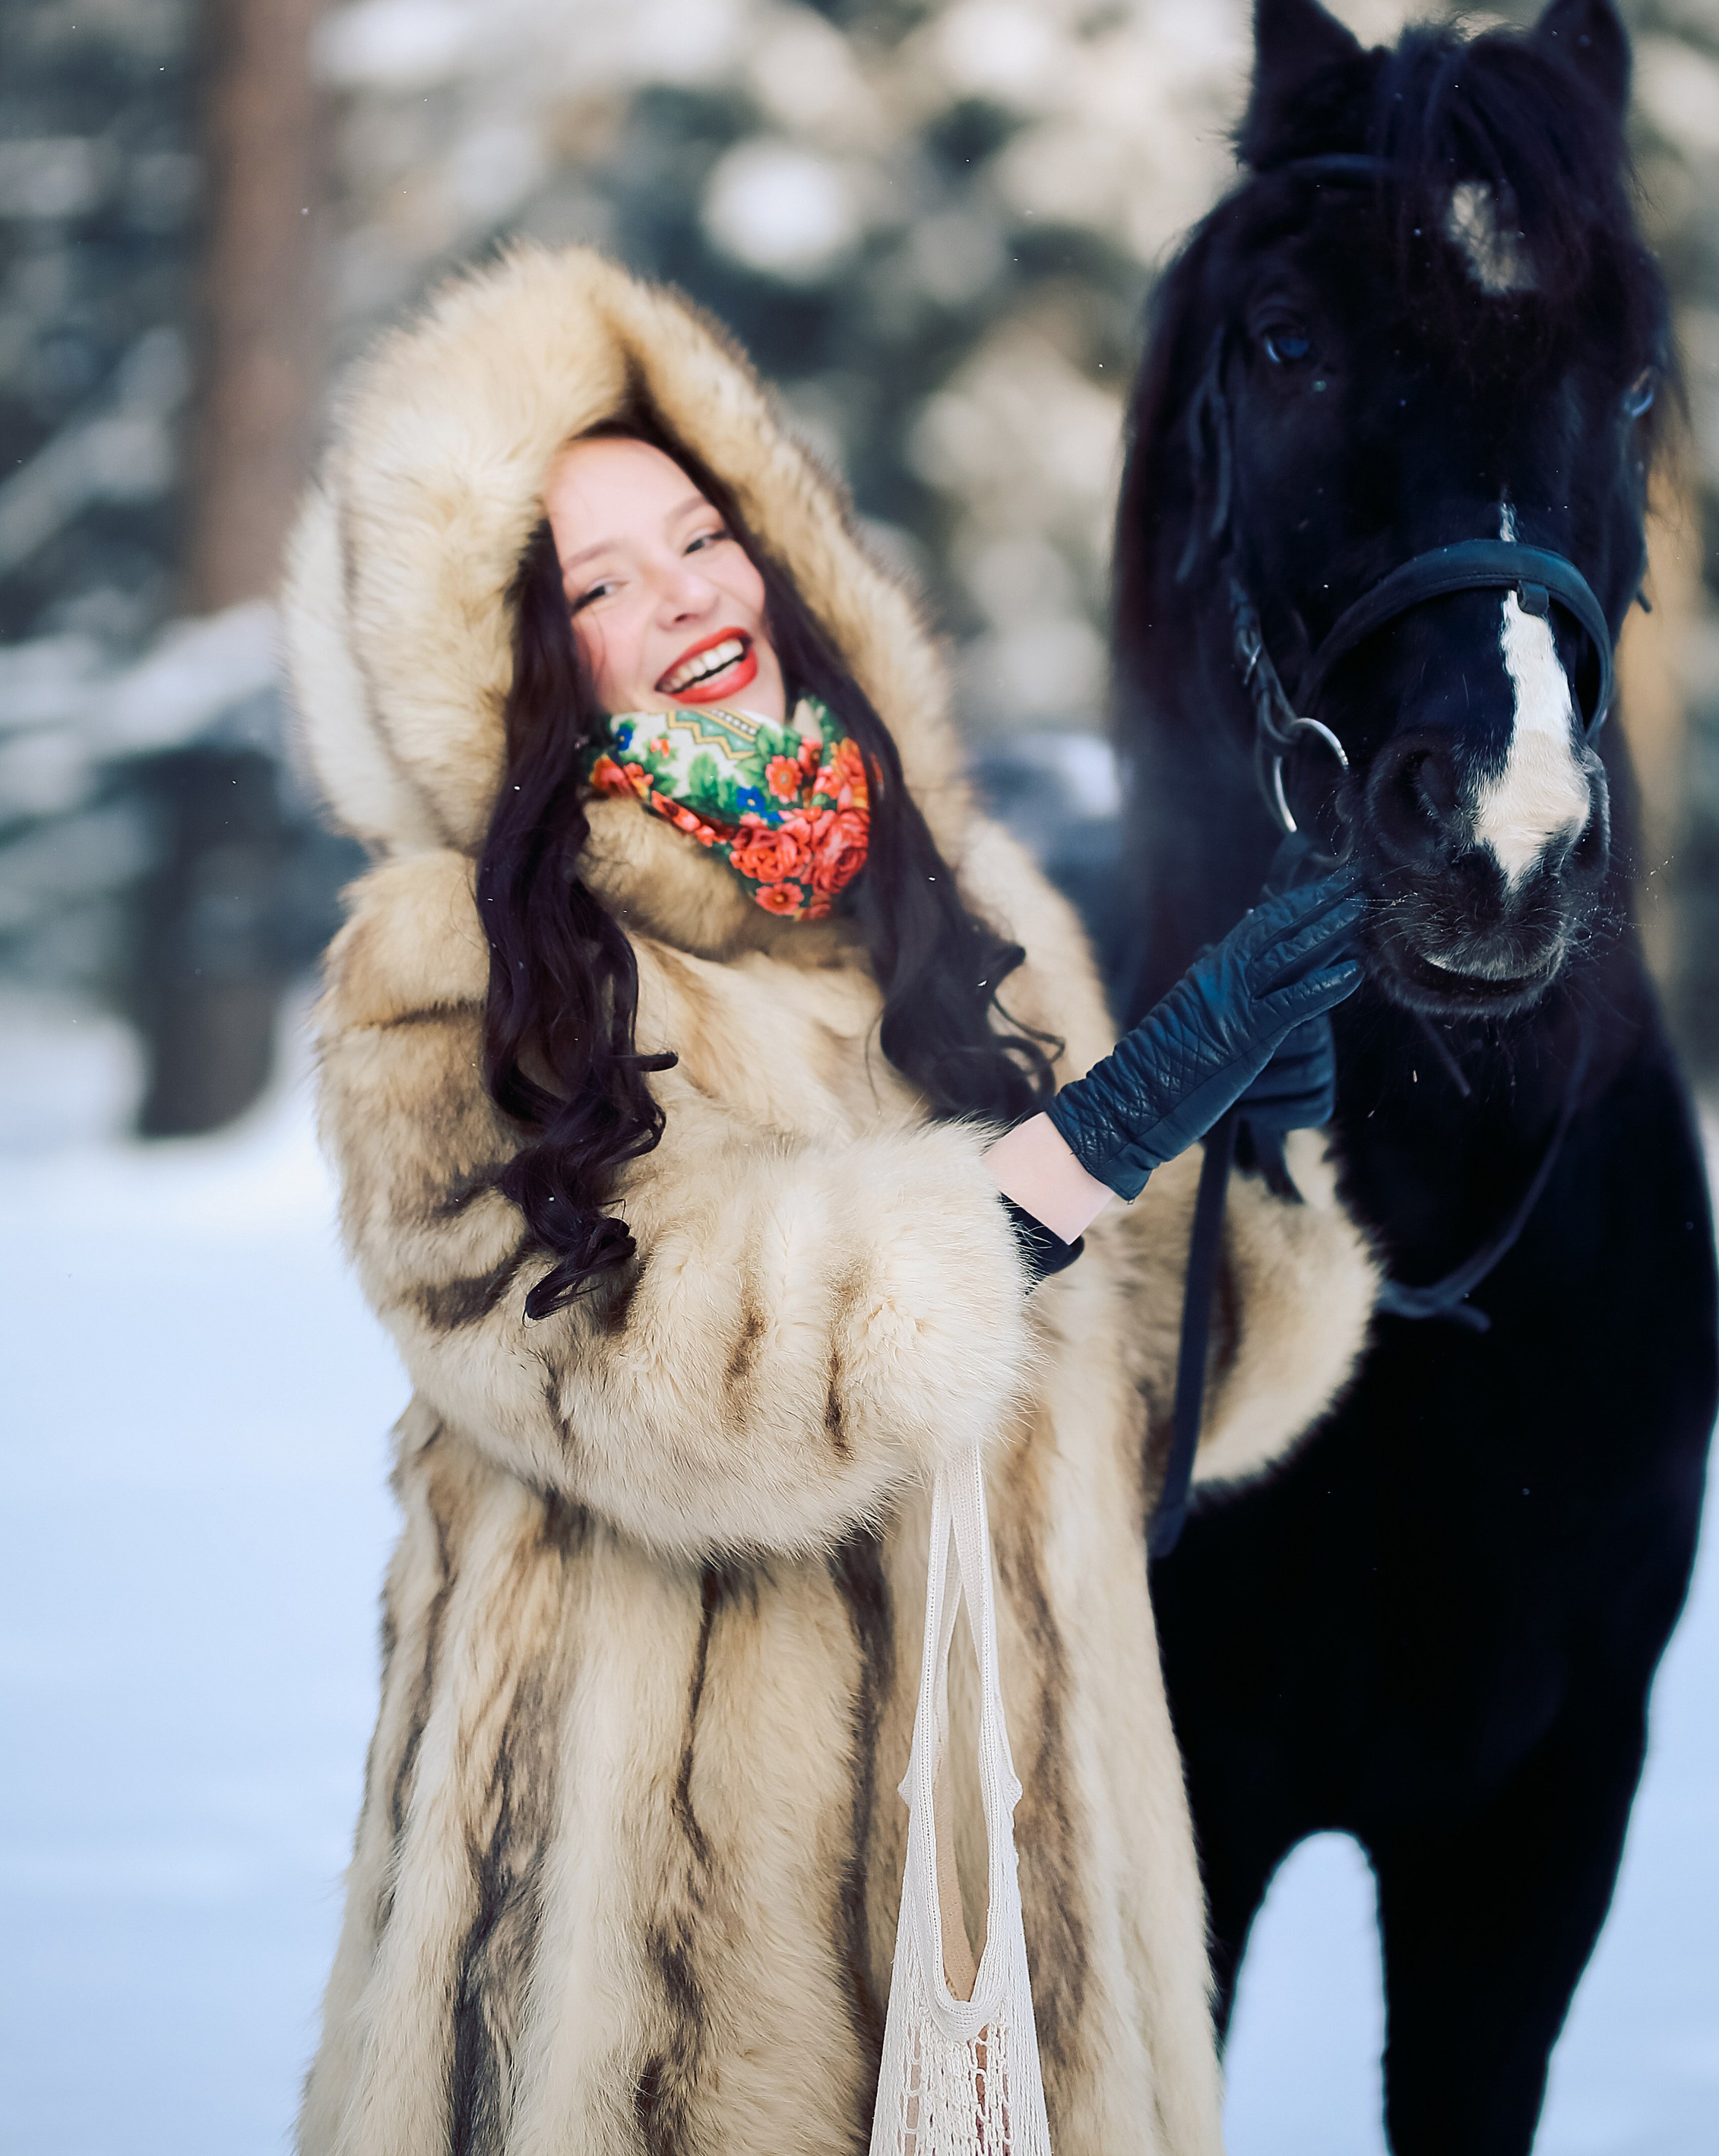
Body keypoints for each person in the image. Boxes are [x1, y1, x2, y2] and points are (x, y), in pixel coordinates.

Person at [287, 244, 1373, 2156]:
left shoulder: (968, 913)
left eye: (698, 535)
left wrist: (1257, 1175)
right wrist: (1078, 1150)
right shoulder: (453, 969)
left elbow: (1123, 1431)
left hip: (1019, 1926)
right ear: (517, 663)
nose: (681, 594)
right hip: (657, 1980)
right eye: (594, 586)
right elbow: (666, 1377)